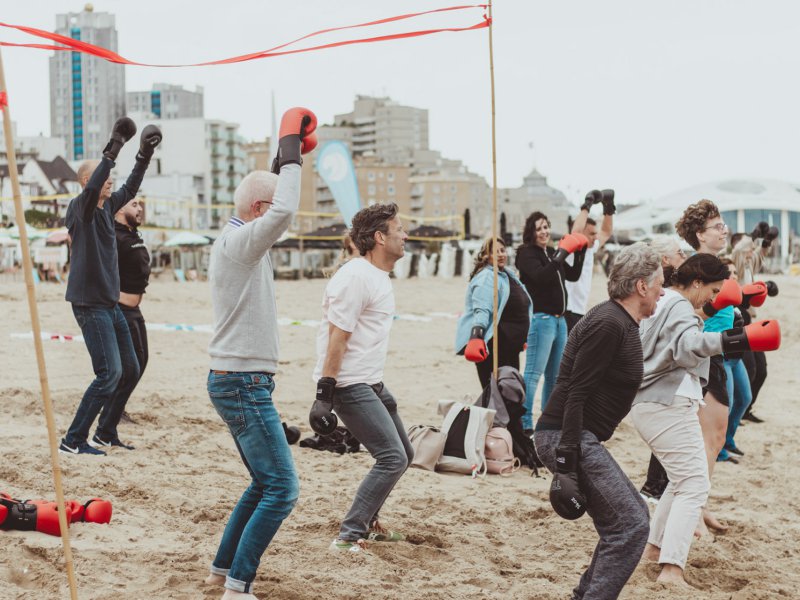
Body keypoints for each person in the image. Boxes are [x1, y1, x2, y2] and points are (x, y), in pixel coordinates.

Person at [204, 107, 316, 600]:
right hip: (242, 384)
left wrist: (279, 161)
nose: (278, 226)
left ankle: (221, 571)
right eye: (267, 214)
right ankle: (237, 586)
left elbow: (275, 207)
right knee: (282, 490)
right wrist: (291, 149)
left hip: (239, 381)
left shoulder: (239, 240)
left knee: (261, 484)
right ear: (257, 212)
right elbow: (284, 210)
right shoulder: (240, 244)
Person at [533, 242, 663, 600]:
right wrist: (566, 461)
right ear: (640, 286)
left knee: (629, 519)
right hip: (565, 435)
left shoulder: (620, 321)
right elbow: (576, 391)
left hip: (573, 435)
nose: (661, 290)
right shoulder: (609, 323)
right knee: (632, 527)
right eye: (658, 283)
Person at [310, 202, 413, 554]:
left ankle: (367, 522)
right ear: (380, 237)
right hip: (349, 385)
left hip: (371, 382)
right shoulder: (355, 277)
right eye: (399, 229)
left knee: (405, 453)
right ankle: (348, 535)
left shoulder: (376, 276)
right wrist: (325, 394)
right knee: (392, 458)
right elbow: (337, 336)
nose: (405, 234)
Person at [59, 117, 161, 456]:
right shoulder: (82, 208)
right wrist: (114, 147)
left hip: (109, 305)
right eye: (105, 178)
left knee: (130, 369)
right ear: (90, 180)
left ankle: (104, 432)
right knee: (108, 373)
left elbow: (130, 188)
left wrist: (144, 154)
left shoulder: (106, 209)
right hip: (89, 304)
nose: (111, 183)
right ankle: (73, 440)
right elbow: (94, 188)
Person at [632, 254, 734, 588]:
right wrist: (732, 340)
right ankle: (672, 570)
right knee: (694, 484)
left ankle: (653, 548)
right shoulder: (677, 305)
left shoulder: (666, 302)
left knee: (681, 480)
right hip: (667, 401)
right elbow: (685, 346)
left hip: (655, 401)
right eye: (713, 291)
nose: (713, 298)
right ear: (697, 283)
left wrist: (710, 315)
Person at [674, 199, 731, 531]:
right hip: (706, 353)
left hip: (718, 351)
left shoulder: (711, 263)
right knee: (709, 437)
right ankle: (694, 510)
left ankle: (700, 504)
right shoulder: (698, 267)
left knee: (715, 437)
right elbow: (689, 315)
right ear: (700, 233)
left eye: (724, 226)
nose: (723, 232)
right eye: (717, 227)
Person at [515, 211, 587, 433]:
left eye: (546, 227)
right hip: (541, 320)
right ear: (531, 232)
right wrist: (561, 254)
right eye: (539, 228)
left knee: (555, 378)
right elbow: (541, 277)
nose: (544, 231)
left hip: (560, 321)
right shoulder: (526, 254)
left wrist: (580, 252)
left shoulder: (549, 254)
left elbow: (573, 275)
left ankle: (546, 423)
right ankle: (524, 423)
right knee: (533, 374)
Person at [638, 235, 688, 503]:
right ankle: (655, 486)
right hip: (659, 372)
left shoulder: (668, 290)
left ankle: (659, 486)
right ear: (666, 260)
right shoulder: (662, 293)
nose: (684, 256)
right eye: (679, 253)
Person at [99, 197, 150, 433]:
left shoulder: (132, 234)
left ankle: (117, 408)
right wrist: (113, 296)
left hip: (135, 309)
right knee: (130, 367)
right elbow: (97, 273)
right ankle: (113, 412)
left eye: (141, 204)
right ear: (120, 208)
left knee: (141, 362)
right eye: (134, 204)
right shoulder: (112, 236)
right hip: (120, 310)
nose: (139, 209)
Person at [456, 236, 532, 389]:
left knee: (511, 389)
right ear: (486, 256)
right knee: (498, 393)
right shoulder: (486, 276)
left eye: (502, 250)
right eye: (495, 252)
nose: (501, 254)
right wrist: (476, 336)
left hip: (510, 345)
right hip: (495, 345)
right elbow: (482, 308)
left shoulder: (507, 274)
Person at [564, 189, 615, 332]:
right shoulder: (571, 249)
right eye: (592, 234)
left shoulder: (590, 249)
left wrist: (609, 207)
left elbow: (606, 232)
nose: (596, 237)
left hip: (579, 311)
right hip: (568, 311)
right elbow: (576, 231)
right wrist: (587, 204)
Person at [718, 259, 753, 459]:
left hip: (735, 356)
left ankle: (728, 439)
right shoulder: (715, 298)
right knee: (727, 405)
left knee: (745, 398)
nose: (733, 277)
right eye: (729, 273)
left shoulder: (735, 297)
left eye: (734, 273)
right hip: (722, 357)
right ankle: (719, 449)